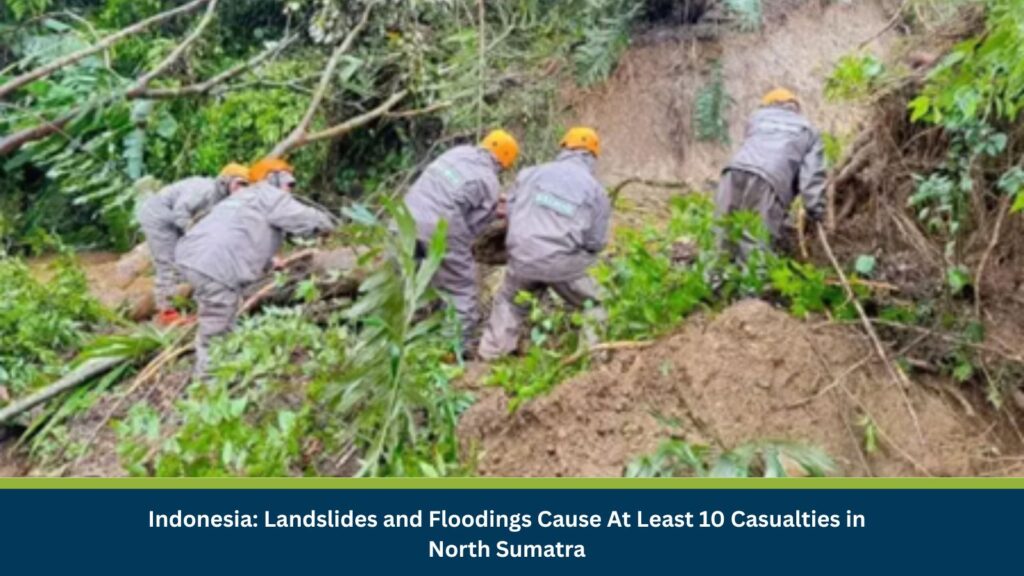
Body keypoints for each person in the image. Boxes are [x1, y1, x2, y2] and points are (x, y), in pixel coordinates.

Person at [175, 158, 335, 375]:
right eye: (289, 184)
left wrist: (269, 262)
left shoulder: (244, 197)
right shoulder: (268, 195)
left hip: (192, 255)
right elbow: (303, 218)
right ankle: (207, 386)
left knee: (222, 315)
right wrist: (331, 225)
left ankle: (221, 372)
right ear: (273, 179)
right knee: (217, 329)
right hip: (215, 264)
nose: (291, 190)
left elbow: (240, 233)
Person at [478, 127, 610, 361]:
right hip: (563, 264)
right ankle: (592, 364)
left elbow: (509, 212)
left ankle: (489, 358)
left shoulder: (530, 173)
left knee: (510, 300)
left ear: (564, 148)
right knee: (595, 303)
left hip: (521, 257)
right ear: (592, 156)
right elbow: (595, 242)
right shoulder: (596, 191)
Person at [403, 129, 519, 354]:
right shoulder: (489, 182)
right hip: (438, 229)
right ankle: (452, 350)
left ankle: (407, 340)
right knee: (461, 289)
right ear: (504, 161)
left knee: (411, 281)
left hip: (404, 220)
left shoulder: (456, 153)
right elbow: (474, 228)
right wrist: (498, 211)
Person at [715, 88, 827, 259]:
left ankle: (715, 282)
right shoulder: (808, 130)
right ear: (795, 107)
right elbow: (811, 176)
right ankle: (752, 285)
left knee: (722, 239)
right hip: (769, 180)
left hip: (732, 173)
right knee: (755, 244)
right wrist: (815, 209)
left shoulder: (755, 120)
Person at [135, 164, 250, 325]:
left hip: (174, 220)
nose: (242, 189)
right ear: (226, 181)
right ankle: (166, 311)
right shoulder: (205, 190)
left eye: (246, 185)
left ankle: (184, 304)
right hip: (159, 218)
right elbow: (180, 212)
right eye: (240, 183)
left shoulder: (224, 198)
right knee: (168, 264)